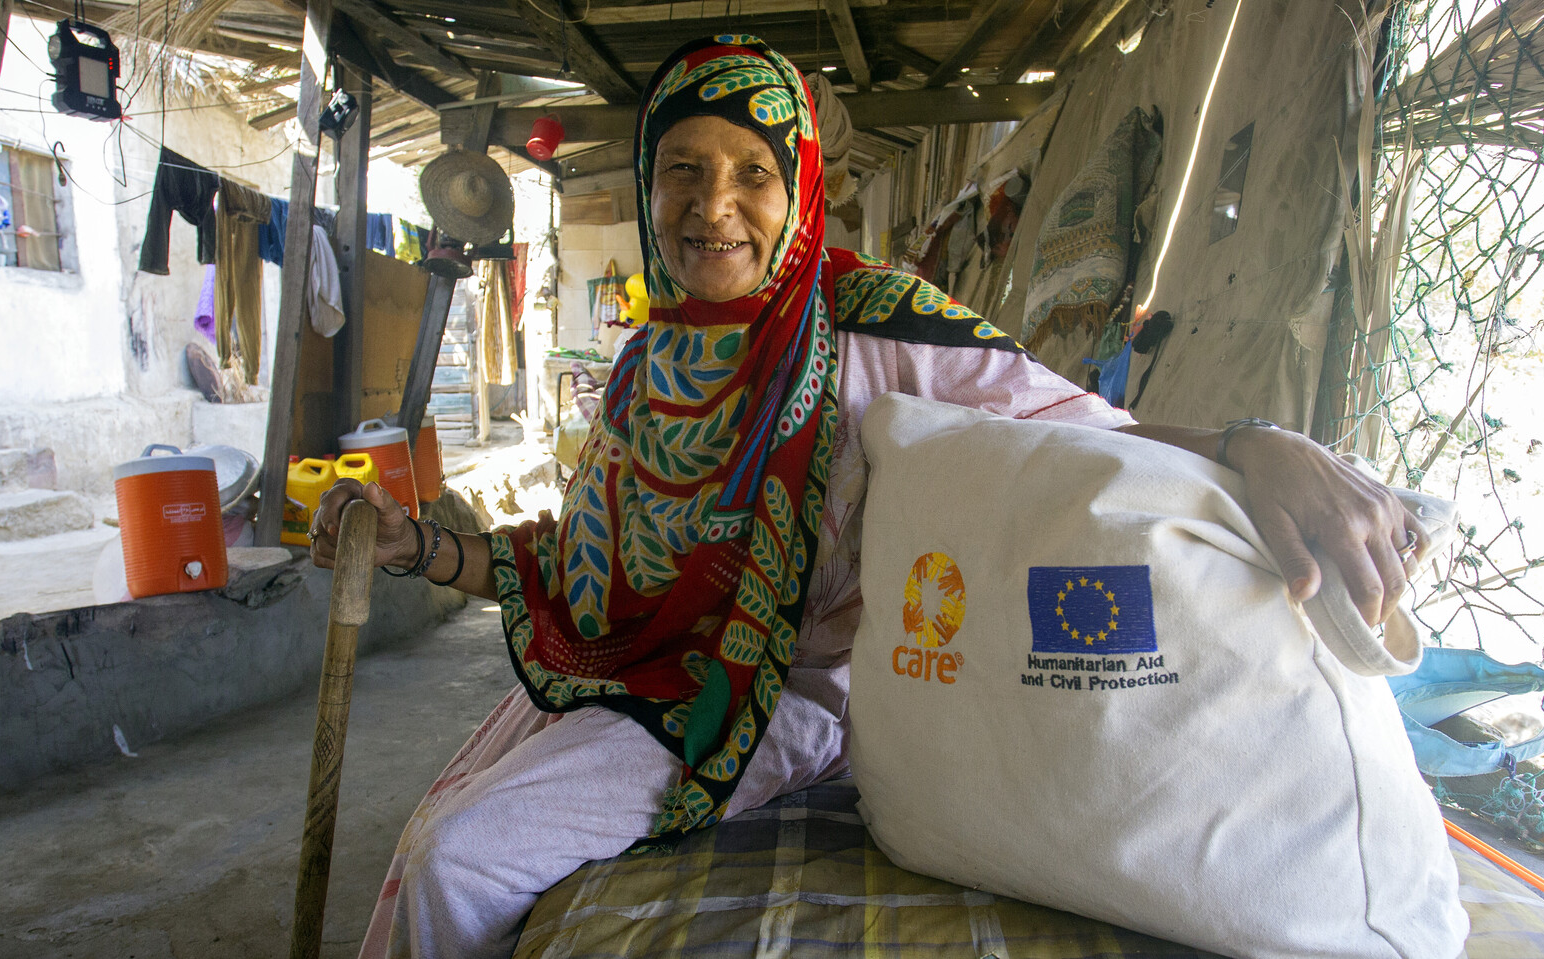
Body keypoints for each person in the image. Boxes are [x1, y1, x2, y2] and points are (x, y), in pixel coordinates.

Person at [310, 35, 1424, 959]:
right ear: (649, 188)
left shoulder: (872, 322)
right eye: (683, 170)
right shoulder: (652, 357)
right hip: (635, 669)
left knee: (459, 854)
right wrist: (419, 548)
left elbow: (1087, 433)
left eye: (751, 172)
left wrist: (1252, 446)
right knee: (433, 829)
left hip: (770, 700)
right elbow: (591, 564)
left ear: (798, 187)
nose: (715, 208)